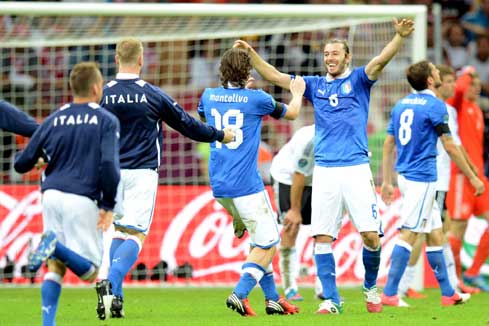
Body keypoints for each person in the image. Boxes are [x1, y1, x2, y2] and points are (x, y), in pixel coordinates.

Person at [234, 17, 415, 314]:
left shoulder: (358, 79)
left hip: (356, 169)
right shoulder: (314, 85)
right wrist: (252, 55)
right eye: (326, 54)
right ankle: (331, 299)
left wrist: (398, 37)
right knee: (322, 236)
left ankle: (370, 287)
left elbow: (380, 61)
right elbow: (277, 77)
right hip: (325, 172)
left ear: (347, 57)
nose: (330, 58)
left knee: (371, 236)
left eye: (335, 53)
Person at [95, 38, 234, 320]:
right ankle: (111, 280)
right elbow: (187, 124)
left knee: (119, 231)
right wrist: (219, 135)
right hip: (142, 173)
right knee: (135, 234)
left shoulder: (103, 94)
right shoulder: (152, 94)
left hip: (109, 174)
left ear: (116, 59)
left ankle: (115, 297)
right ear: (142, 60)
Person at [197, 47, 305, 316]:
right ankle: (239, 293)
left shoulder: (208, 96)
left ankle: (272, 299)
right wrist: (298, 92)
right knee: (268, 243)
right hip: (245, 185)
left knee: (259, 239)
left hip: (219, 186)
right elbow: (291, 113)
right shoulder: (257, 98)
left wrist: (234, 93)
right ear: (248, 72)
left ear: (221, 71)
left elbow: (204, 117)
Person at [14, 62, 120, 326]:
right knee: (90, 271)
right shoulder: (106, 119)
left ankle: (47, 324)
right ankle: (53, 245)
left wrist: (38, 159)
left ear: (72, 88)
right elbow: (109, 165)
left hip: (50, 195)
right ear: (97, 88)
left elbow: (21, 163)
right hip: (81, 197)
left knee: (55, 266)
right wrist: (108, 204)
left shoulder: (54, 118)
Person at [380, 60, 484, 308]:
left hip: (405, 175)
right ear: (429, 80)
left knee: (435, 233)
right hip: (423, 177)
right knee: (411, 233)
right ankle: (391, 292)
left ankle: (449, 293)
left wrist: (387, 181)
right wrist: (472, 177)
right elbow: (450, 145)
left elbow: (387, 144)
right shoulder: (436, 106)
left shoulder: (401, 104)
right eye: (436, 71)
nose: (438, 71)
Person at [446, 66, 489, 292]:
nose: (476, 86)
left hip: (479, 177)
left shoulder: (477, 109)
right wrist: (467, 72)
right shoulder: (459, 106)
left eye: (478, 83)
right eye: (472, 83)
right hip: (462, 176)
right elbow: (459, 90)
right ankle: (455, 279)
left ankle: (473, 273)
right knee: (458, 229)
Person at [269, 124, 315, 301]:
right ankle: (289, 287)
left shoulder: (346, 134)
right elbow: (299, 174)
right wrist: (295, 210)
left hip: (317, 179)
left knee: (323, 228)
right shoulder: (310, 139)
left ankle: (323, 287)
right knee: (291, 225)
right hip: (288, 178)